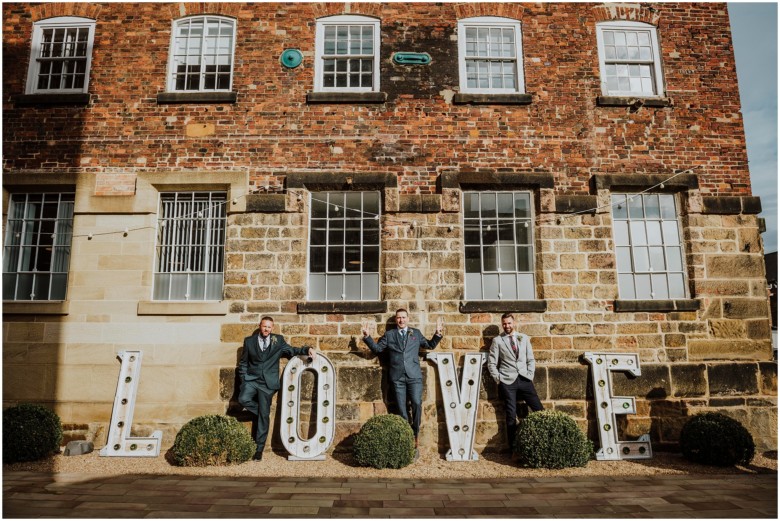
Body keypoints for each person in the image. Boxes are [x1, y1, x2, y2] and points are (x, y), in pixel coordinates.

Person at [361, 309, 443, 459]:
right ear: (395, 320)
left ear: (408, 318)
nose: (401, 320)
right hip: (397, 377)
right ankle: (408, 439)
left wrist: (437, 334)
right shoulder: (389, 335)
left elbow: (429, 345)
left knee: (417, 403)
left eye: (403, 317)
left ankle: (415, 432)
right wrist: (367, 337)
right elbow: (378, 349)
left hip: (414, 376)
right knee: (401, 408)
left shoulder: (415, 333)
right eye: (398, 318)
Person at [239, 316, 316, 461]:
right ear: (260, 326)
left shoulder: (278, 340)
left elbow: (292, 350)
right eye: (264, 326)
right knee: (243, 399)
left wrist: (307, 349)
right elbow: (243, 362)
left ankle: (259, 450)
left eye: (269, 327)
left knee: (263, 417)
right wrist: (243, 380)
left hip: (267, 384)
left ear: (272, 328)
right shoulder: (249, 341)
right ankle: (262, 413)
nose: (266, 329)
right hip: (252, 380)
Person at [487, 312, 544, 450]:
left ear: (514, 323)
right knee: (511, 415)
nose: (507, 326)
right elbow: (491, 363)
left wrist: (530, 374)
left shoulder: (524, 338)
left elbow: (530, 359)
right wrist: (499, 379)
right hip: (508, 382)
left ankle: (544, 441)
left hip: (525, 379)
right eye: (504, 323)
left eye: (509, 323)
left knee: (539, 410)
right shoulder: (498, 341)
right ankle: (513, 448)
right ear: (502, 324)